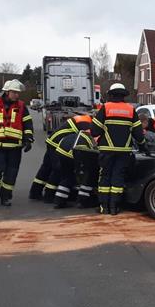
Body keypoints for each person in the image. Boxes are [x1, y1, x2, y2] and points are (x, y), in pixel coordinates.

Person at [91, 83, 148, 215]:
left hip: (107, 150)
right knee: (118, 178)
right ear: (124, 96)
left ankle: (104, 207)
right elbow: (139, 134)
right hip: (124, 152)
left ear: (111, 94)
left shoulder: (106, 108)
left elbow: (94, 131)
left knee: (105, 177)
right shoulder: (131, 110)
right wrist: (143, 146)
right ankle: (114, 208)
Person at [0, 79, 34, 207]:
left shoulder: (21, 106)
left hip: (15, 147)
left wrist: (28, 139)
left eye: (17, 93)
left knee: (11, 174)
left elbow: (27, 124)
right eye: (14, 92)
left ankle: (6, 197)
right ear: (7, 92)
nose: (16, 95)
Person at [29, 115, 85, 202]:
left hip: (53, 141)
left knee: (46, 168)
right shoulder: (87, 124)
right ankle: (49, 195)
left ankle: (35, 192)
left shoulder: (84, 119)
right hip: (58, 143)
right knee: (58, 169)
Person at [48, 121, 95, 209]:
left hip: (61, 151)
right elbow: (88, 154)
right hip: (73, 153)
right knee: (87, 176)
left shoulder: (79, 133)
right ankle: (82, 201)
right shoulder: (89, 138)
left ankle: (59, 201)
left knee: (67, 177)